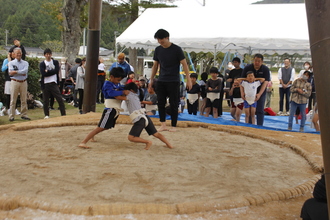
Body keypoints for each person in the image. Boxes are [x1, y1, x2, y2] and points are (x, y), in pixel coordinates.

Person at [149, 29, 192, 132]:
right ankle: (163, 124)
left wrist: (188, 79)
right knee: (161, 103)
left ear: (167, 38)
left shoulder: (177, 49)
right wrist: (151, 79)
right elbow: (155, 65)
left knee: (174, 103)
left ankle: (173, 125)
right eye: (158, 40)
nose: (160, 42)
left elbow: (184, 64)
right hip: (161, 79)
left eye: (161, 40)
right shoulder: (158, 50)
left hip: (173, 80)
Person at [78, 67, 129, 149]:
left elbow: (121, 89)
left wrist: (127, 90)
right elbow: (112, 93)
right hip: (110, 109)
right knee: (101, 127)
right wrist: (123, 92)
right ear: (111, 77)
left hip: (115, 109)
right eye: (118, 80)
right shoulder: (107, 84)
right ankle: (83, 142)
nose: (118, 82)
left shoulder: (117, 84)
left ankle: (92, 136)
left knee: (105, 127)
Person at [124, 82, 173, 150]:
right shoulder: (136, 96)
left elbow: (117, 96)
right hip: (145, 117)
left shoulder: (129, 96)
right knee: (156, 134)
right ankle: (169, 145)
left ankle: (147, 142)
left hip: (140, 119)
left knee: (131, 137)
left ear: (130, 90)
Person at [241, 53, 270, 126]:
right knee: (249, 110)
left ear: (262, 61)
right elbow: (241, 81)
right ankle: (250, 125)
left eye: (259, 61)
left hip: (260, 91)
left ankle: (260, 126)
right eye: (255, 60)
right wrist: (242, 92)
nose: (257, 62)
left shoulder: (265, 69)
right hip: (248, 92)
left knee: (260, 109)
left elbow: (265, 82)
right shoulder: (247, 68)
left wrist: (259, 94)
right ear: (253, 60)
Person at [39, 48, 66, 119]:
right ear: (44, 55)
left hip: (53, 83)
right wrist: (49, 72)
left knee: (59, 98)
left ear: (51, 54)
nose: (48, 55)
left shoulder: (55, 62)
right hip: (45, 83)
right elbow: (43, 73)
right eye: (46, 54)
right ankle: (46, 114)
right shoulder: (42, 63)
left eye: (49, 54)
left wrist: (48, 71)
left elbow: (56, 71)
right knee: (46, 100)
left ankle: (63, 114)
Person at [8, 48, 30, 121]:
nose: (19, 54)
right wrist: (20, 72)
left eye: (20, 53)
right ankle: (11, 115)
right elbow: (10, 72)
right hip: (15, 81)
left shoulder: (25, 63)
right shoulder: (11, 63)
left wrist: (16, 72)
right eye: (17, 53)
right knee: (13, 100)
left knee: (23, 99)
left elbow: (25, 71)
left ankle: (24, 114)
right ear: (14, 54)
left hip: (23, 82)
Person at [1, 51, 20, 115]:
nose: (15, 54)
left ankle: (15, 109)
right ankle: (9, 109)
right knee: (9, 95)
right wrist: (8, 63)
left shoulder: (17, 61)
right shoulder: (6, 60)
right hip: (9, 79)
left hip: (16, 79)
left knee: (16, 95)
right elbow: (3, 69)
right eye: (13, 53)